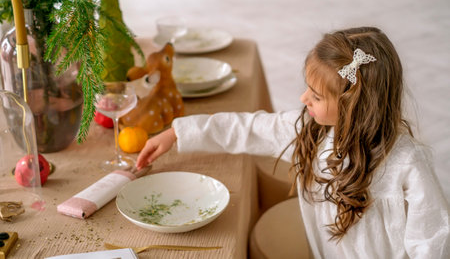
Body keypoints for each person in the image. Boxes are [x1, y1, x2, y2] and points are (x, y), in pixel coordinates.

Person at [136, 26, 449, 258]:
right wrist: (178, 132)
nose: (303, 99)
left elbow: (432, 237)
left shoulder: (407, 162)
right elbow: (249, 128)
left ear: (355, 104)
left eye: (315, 96)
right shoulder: (312, 129)